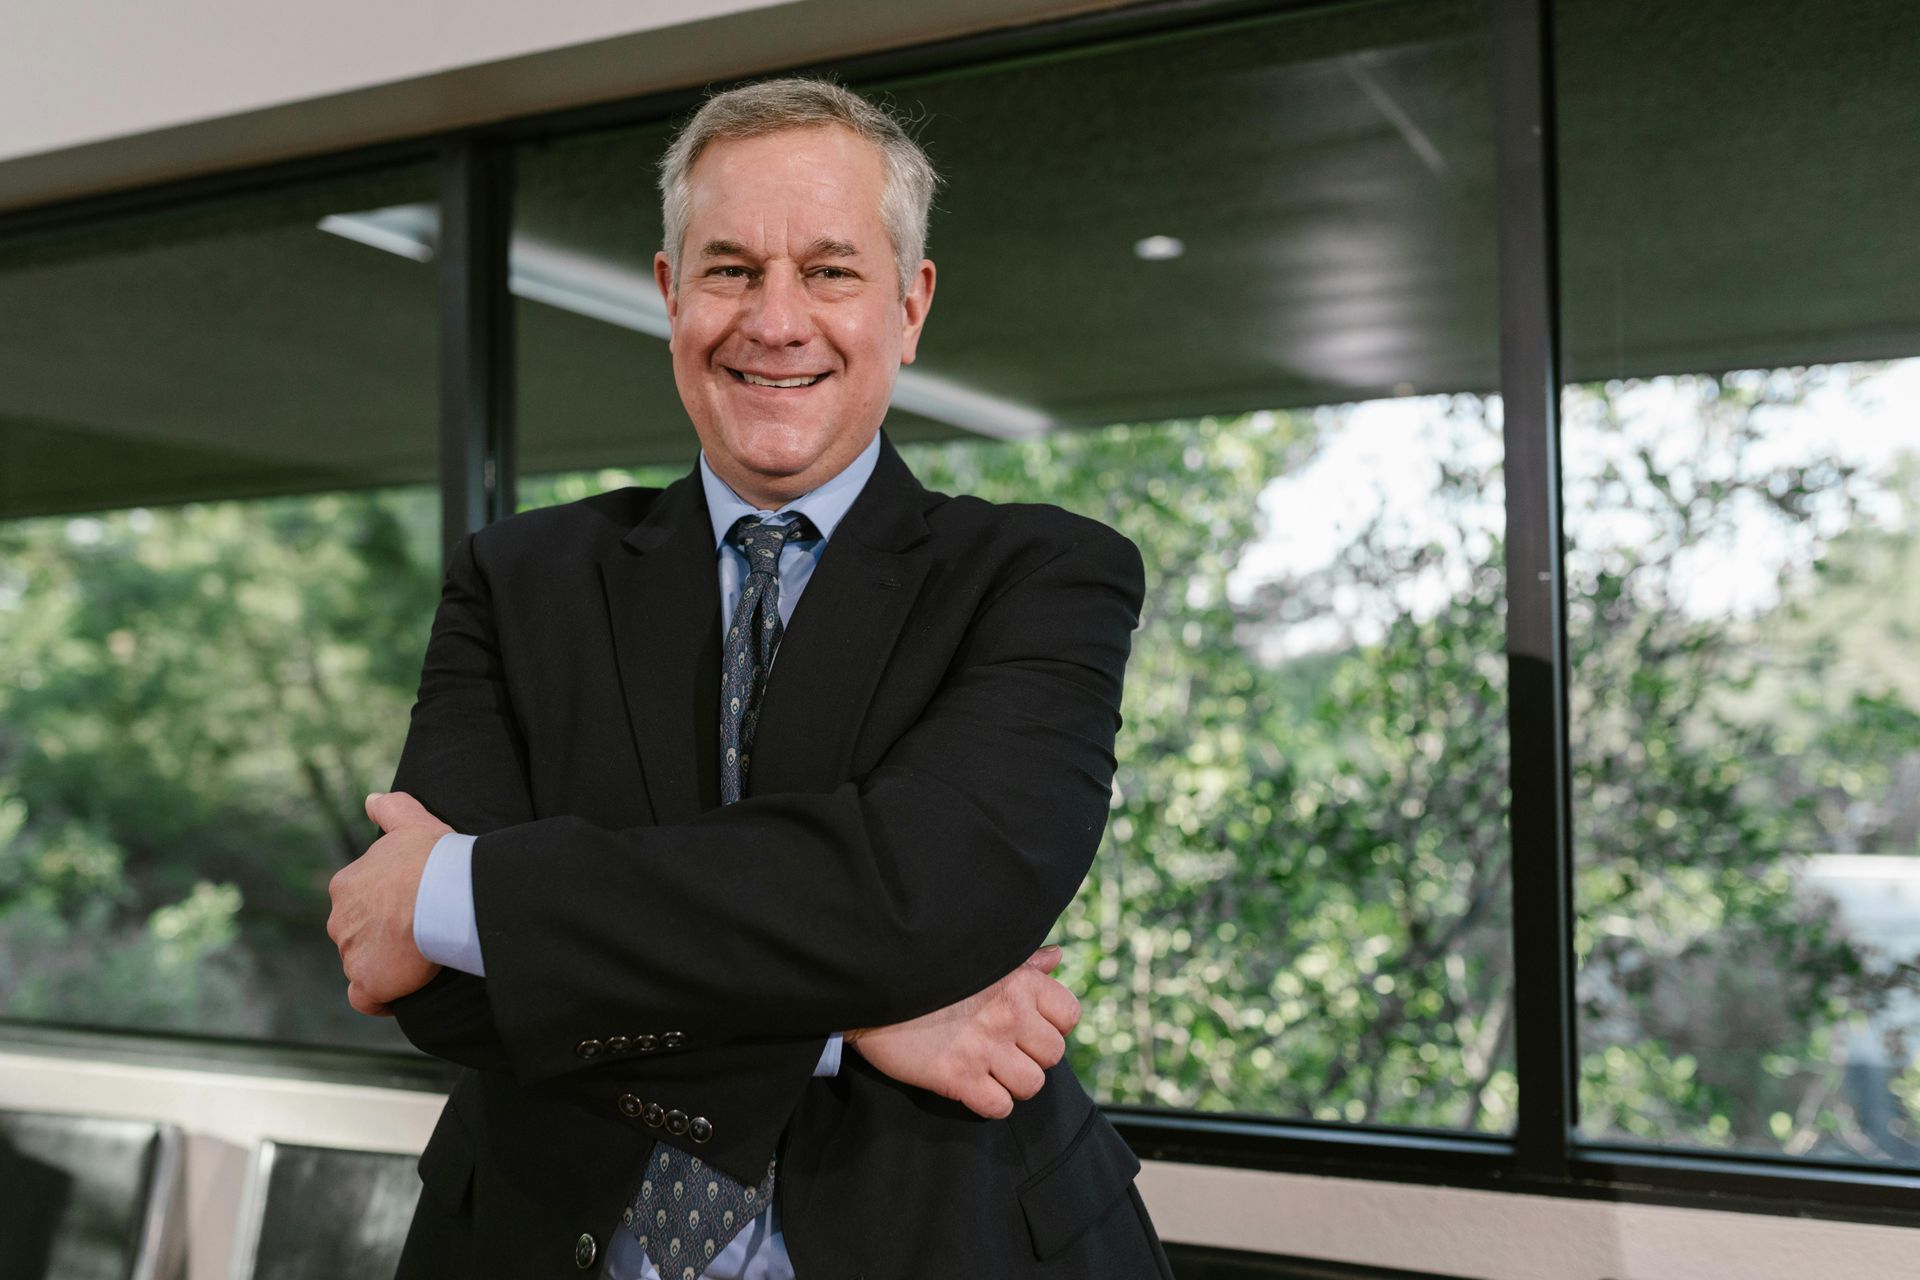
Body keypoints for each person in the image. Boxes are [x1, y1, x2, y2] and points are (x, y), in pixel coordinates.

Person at [327, 77, 1169, 1279]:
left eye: (829, 270)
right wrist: (861, 1018)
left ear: (910, 303)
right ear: (670, 292)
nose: (776, 320)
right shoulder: (516, 580)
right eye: (729, 269)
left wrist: (465, 891)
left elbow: (921, 898)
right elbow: (445, 989)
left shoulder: (1043, 576)